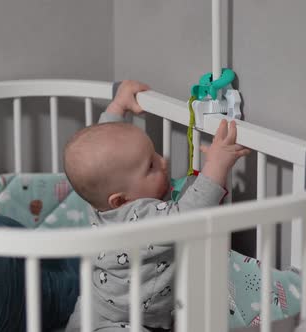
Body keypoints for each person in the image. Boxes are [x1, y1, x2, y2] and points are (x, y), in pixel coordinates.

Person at [64, 80, 250, 331]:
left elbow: (105, 150)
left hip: (92, 307)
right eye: (150, 166)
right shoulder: (139, 218)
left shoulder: (101, 202)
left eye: (155, 155)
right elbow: (187, 215)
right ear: (121, 200)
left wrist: (118, 106)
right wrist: (217, 164)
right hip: (123, 322)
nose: (163, 162)